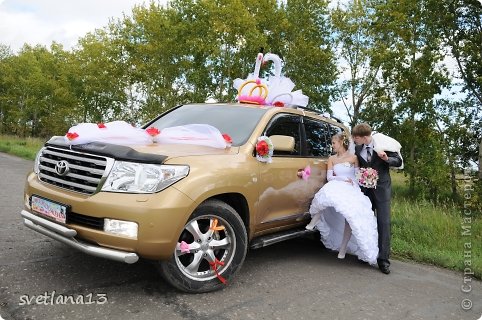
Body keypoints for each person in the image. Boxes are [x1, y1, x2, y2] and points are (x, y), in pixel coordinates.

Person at [306, 132, 379, 265]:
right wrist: (342, 179)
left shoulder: (354, 158)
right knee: (328, 193)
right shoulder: (332, 159)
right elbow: (329, 177)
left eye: (334, 143)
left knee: (349, 215)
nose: (332, 145)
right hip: (337, 183)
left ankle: (343, 248)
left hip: (351, 187)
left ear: (341, 143)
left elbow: (357, 175)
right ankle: (314, 221)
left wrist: (364, 178)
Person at [352, 123, 403, 275]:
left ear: (365, 137)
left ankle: (383, 261)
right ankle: (366, 253)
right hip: (365, 190)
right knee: (365, 221)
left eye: (356, 138)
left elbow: (398, 161)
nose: (354, 141)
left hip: (382, 189)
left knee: (383, 222)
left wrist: (387, 158)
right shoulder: (357, 148)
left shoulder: (384, 145)